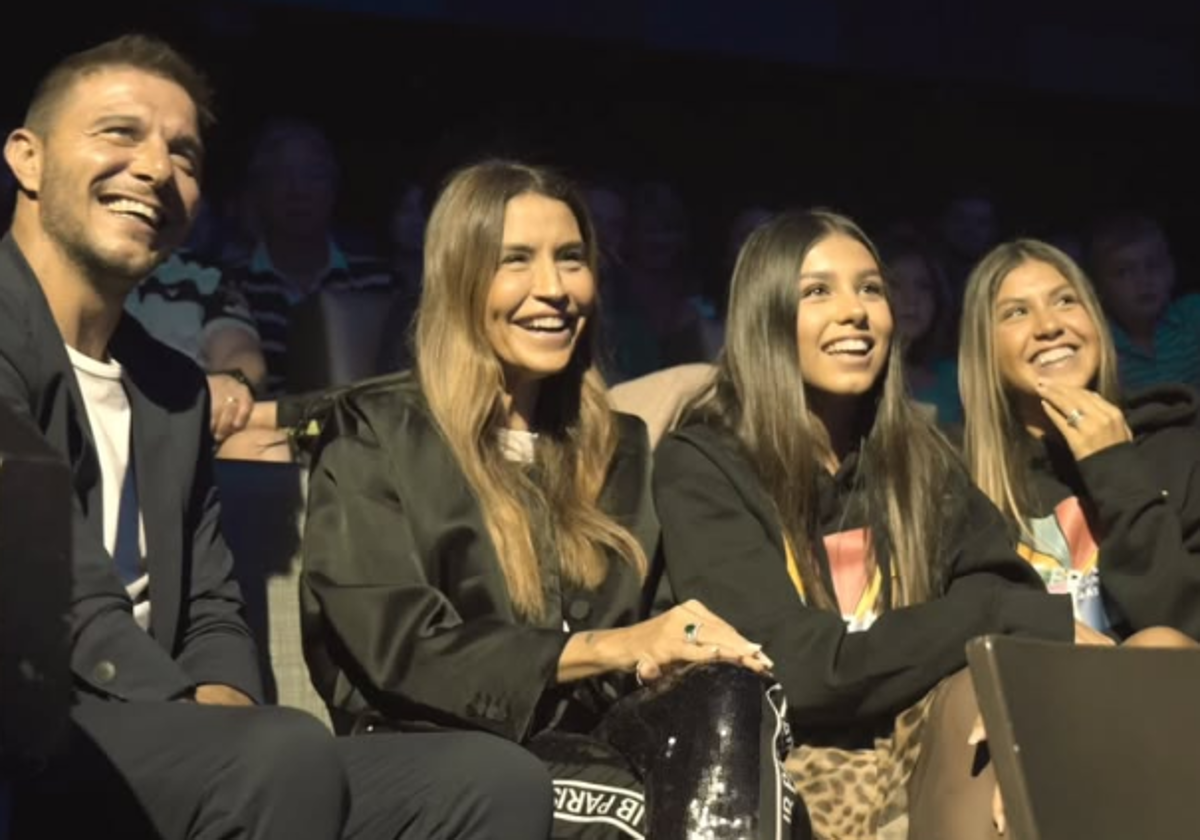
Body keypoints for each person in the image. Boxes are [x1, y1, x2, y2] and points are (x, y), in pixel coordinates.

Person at [0, 33, 552, 840]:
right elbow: (56, 583)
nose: (157, 168)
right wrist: (205, 722)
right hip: (37, 725)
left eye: (184, 154)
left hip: (164, 733)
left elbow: (215, 602)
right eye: (120, 133)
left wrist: (224, 701)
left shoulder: (171, 387)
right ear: (27, 158)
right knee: (277, 755)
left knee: (490, 780)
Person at [300, 159, 802, 839]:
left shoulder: (619, 448)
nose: (554, 289)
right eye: (516, 261)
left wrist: (683, 652)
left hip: (598, 746)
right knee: (634, 817)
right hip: (438, 757)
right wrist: (614, 646)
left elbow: (651, 632)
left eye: (571, 259)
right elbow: (404, 651)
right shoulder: (376, 435)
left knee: (733, 710)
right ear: (460, 280)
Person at [653, 209, 1078, 840]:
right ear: (765, 315)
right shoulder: (705, 462)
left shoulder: (921, 457)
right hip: (782, 765)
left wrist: (989, 631)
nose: (855, 311)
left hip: (921, 753)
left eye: (871, 289)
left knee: (984, 701)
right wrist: (982, 615)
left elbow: (1008, 590)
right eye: (817, 291)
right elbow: (795, 667)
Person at [958, 238, 1200, 641]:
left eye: (1066, 301)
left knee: (1155, 643)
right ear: (985, 348)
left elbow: (1188, 622)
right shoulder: (963, 481)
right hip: (1035, 695)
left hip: (1167, 690)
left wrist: (1114, 466)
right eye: (1017, 312)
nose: (1050, 326)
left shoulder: (1173, 447)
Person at [1086, 213, 1200, 392]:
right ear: (1100, 288)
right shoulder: (1098, 344)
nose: (1144, 280)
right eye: (1123, 272)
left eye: (1153, 265)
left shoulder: (1193, 315)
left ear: (1171, 270)